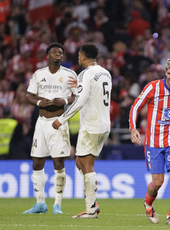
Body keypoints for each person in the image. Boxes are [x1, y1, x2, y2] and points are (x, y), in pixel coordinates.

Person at [129, 57, 170, 225]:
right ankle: (148, 202)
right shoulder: (153, 87)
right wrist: (133, 128)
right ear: (165, 72)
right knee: (158, 182)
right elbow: (135, 106)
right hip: (154, 142)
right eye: (169, 74)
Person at [52, 42, 112, 218]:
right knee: (79, 161)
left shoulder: (86, 74)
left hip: (91, 125)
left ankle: (91, 208)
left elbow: (80, 100)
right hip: (104, 124)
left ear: (84, 56)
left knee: (87, 165)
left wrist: (61, 119)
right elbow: (94, 95)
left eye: (79, 55)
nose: (78, 58)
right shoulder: (105, 72)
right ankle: (93, 200)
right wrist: (78, 86)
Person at [23, 42, 77, 214]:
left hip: (58, 122)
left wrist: (66, 101)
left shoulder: (69, 74)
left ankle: (57, 204)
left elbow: (79, 96)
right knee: (37, 162)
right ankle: (40, 203)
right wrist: (39, 102)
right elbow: (28, 95)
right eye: (54, 52)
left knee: (58, 162)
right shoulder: (39, 74)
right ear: (47, 56)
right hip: (41, 122)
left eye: (60, 53)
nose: (58, 54)